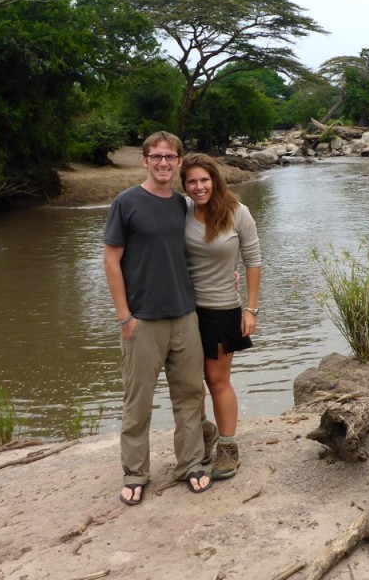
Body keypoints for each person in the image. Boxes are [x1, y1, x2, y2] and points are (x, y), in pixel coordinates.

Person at [103, 132, 211, 503]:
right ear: (145, 160)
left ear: (179, 162)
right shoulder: (127, 202)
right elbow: (111, 260)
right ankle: (135, 473)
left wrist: (226, 272)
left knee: (190, 395)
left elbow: (202, 247)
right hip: (143, 321)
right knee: (138, 402)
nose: (163, 163)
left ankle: (191, 464)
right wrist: (124, 317)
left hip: (184, 315)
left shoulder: (183, 204)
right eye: (156, 156)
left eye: (170, 157)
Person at [180, 153, 261, 480]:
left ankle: (227, 446)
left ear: (215, 180)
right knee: (188, 381)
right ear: (184, 185)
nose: (199, 187)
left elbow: (253, 260)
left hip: (222, 309)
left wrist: (250, 308)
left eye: (204, 180)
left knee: (216, 380)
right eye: (192, 182)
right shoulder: (180, 210)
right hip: (183, 309)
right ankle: (203, 432)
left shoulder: (237, 213)